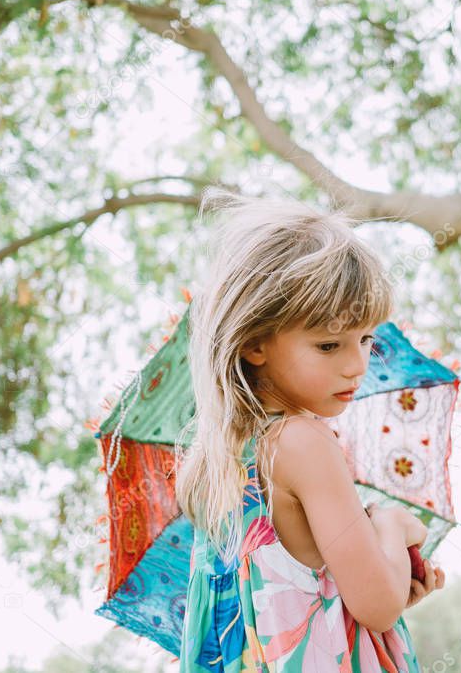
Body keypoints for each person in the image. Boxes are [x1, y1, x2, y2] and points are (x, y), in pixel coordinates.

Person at [175, 189, 445, 671]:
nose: (356, 365)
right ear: (256, 343)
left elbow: (291, 608)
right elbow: (378, 605)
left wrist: (392, 583)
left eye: (364, 339)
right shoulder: (303, 441)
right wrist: (389, 525)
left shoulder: (222, 459)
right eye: (328, 345)